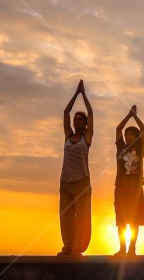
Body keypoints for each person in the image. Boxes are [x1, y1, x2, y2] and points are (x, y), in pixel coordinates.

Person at [58, 80, 94, 256]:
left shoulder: (86, 138)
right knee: (65, 216)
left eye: (80, 119)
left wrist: (84, 95)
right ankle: (68, 246)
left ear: (85, 123)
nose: (76, 121)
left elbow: (91, 112)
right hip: (65, 181)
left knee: (82, 217)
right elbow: (65, 112)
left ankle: (78, 248)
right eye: (75, 119)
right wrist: (76, 93)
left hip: (82, 182)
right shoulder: (68, 136)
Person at [114, 105, 144, 256]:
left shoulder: (139, 147)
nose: (127, 137)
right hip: (120, 188)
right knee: (121, 220)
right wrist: (128, 115)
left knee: (134, 220)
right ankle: (122, 249)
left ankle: (131, 249)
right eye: (126, 135)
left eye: (131, 134)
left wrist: (135, 116)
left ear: (136, 137)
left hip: (135, 189)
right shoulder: (120, 146)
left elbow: (143, 128)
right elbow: (117, 129)